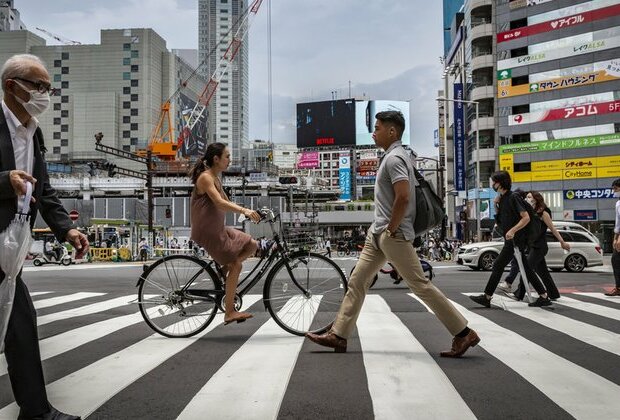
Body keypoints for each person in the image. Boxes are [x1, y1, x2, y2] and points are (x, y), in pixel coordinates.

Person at [306, 110, 479, 357]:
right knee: (357, 281)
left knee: (420, 285)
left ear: (392, 131)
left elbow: (404, 196)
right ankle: (339, 335)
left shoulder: (395, 158)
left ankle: (463, 333)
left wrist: (392, 228)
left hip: (391, 234)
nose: (373, 132)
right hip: (377, 234)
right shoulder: (391, 156)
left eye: (377, 128)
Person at [0, 54, 88, 420]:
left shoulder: (33, 131)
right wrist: (4, 180)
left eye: (48, 87)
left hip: (12, 247)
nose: (45, 93)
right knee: (19, 324)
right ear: (11, 86)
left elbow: (45, 190)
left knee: (20, 327)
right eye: (38, 86)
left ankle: (36, 412)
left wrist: (66, 229)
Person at [189, 142, 261, 324]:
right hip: (208, 232)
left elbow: (227, 203)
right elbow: (220, 203)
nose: (230, 160)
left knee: (252, 245)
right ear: (216, 159)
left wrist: (255, 210)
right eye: (227, 156)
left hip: (219, 229)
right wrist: (244, 211)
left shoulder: (216, 177)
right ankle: (230, 312)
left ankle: (225, 268)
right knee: (237, 265)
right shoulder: (206, 178)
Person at [470, 171, 552, 308]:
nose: (492, 185)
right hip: (511, 239)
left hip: (516, 239)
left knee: (498, 265)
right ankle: (543, 296)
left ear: (500, 183)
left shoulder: (513, 197)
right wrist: (496, 206)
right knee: (525, 268)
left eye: (494, 182)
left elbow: (526, 217)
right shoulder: (503, 199)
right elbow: (503, 221)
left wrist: (513, 231)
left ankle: (487, 296)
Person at [512, 191, 569, 301]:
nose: (527, 199)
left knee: (527, 269)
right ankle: (553, 293)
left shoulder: (543, 213)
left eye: (529, 197)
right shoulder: (529, 212)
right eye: (526, 197)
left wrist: (562, 242)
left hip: (540, 247)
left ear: (536, 199)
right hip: (533, 246)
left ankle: (519, 293)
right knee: (543, 273)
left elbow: (552, 229)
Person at [606, 178, 620, 296]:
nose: (614, 191)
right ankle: (618, 287)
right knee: (615, 259)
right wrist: (615, 238)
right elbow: (618, 223)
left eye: (616, 189)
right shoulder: (618, 203)